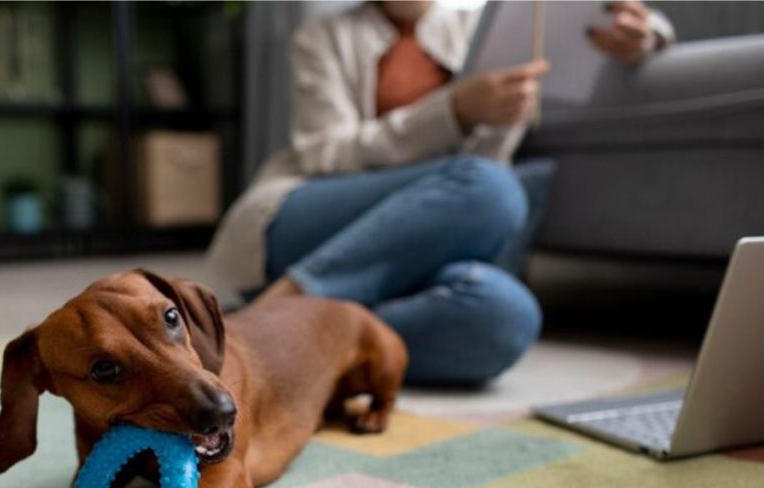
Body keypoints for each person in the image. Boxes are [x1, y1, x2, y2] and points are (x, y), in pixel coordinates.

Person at [206, 1, 673, 385]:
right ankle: (280, 306)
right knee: (490, 187)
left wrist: (642, 31)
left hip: (429, 241)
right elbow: (325, 153)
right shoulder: (322, 37)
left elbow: (606, 21)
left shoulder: (485, 24)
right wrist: (453, 111)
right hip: (311, 211)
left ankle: (312, 344)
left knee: (506, 317)